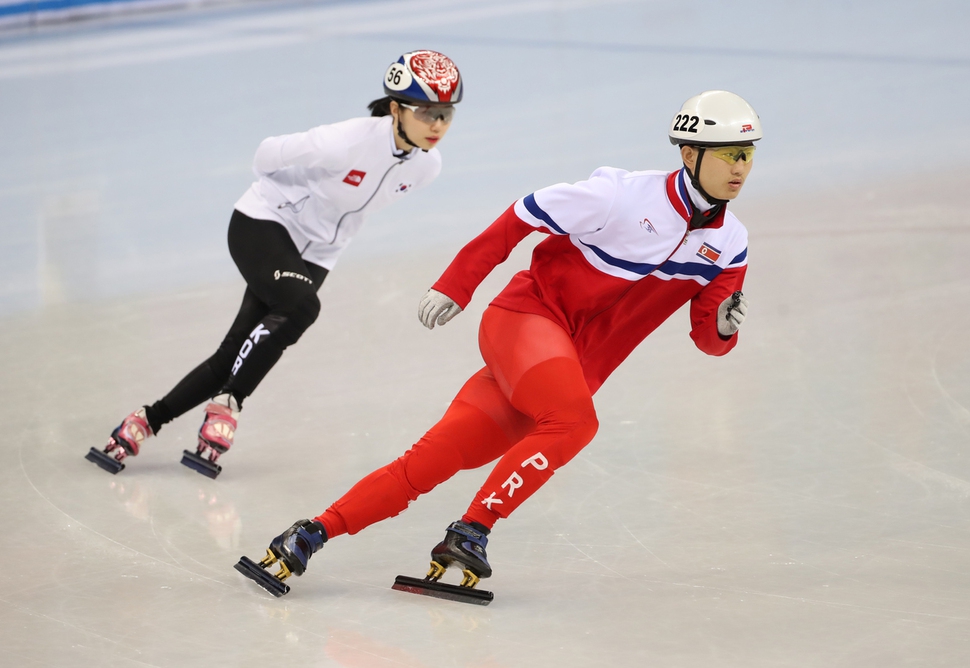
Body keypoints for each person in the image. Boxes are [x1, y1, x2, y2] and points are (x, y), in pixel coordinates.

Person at [236, 90, 760, 598]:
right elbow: (521, 216)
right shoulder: (620, 195)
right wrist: (456, 283)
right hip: (526, 321)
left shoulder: (729, 242)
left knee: (430, 461)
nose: (740, 167)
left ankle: (308, 534)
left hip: (565, 372)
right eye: (730, 154)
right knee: (576, 424)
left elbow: (706, 338)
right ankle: (472, 530)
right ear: (690, 154)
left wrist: (725, 327)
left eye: (749, 154)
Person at [86, 50, 464, 478]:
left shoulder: (426, 167)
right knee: (302, 308)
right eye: (427, 112)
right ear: (396, 108)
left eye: (446, 115)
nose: (438, 125)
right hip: (264, 223)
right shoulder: (347, 140)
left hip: (318, 252)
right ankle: (230, 403)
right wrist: (289, 200)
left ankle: (144, 422)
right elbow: (267, 154)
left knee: (238, 350)